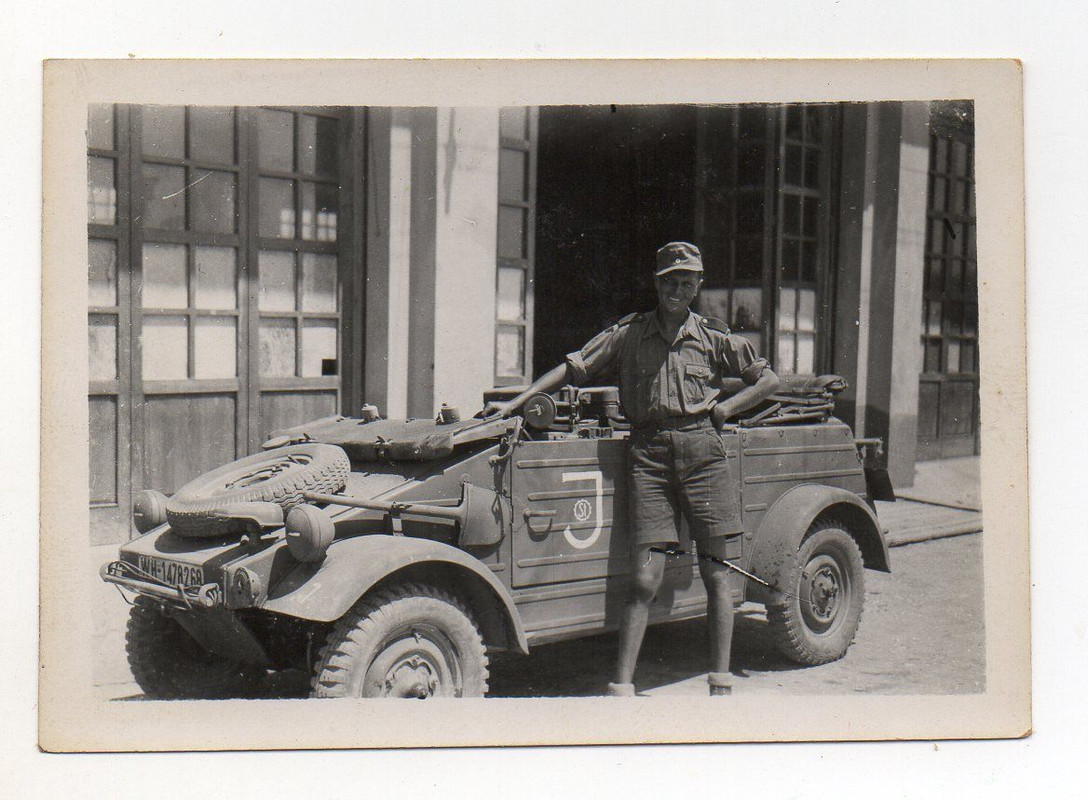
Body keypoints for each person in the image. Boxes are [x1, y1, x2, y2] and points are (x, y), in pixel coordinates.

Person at [484, 242, 780, 697]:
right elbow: (573, 368)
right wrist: (516, 403)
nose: (677, 290)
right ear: (657, 284)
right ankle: (621, 688)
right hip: (649, 457)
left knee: (718, 571)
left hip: (704, 455)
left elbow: (768, 380)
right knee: (644, 580)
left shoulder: (714, 337)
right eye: (669, 281)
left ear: (698, 286)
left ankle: (720, 683)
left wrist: (725, 409)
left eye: (686, 282)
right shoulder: (629, 334)